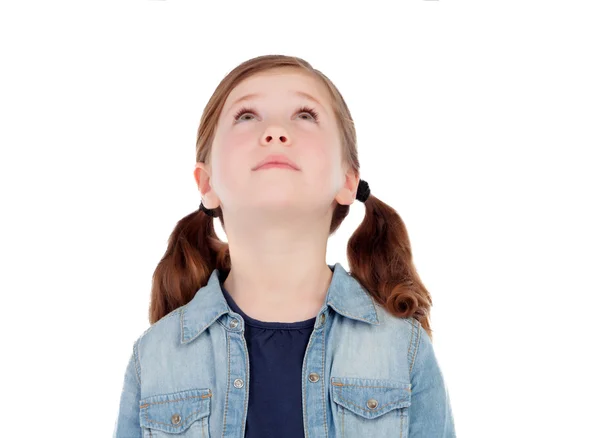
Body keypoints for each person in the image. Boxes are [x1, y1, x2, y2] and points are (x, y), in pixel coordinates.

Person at [113, 55, 456, 438]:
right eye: (246, 116)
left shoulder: (403, 350)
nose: (275, 131)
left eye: (305, 115)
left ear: (347, 181)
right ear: (206, 184)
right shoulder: (155, 357)